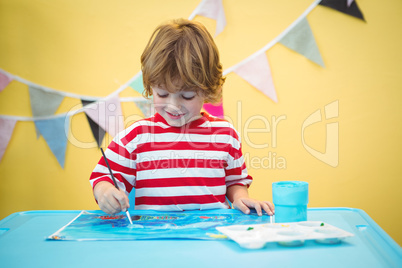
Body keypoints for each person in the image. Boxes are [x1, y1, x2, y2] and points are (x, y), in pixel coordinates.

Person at [90, 18, 274, 217]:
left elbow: (235, 181)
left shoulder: (225, 134)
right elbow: (102, 177)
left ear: (207, 90)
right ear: (150, 86)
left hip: (213, 236)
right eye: (162, 94)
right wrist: (106, 192)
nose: (173, 105)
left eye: (187, 96)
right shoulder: (136, 135)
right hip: (156, 238)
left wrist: (240, 197)